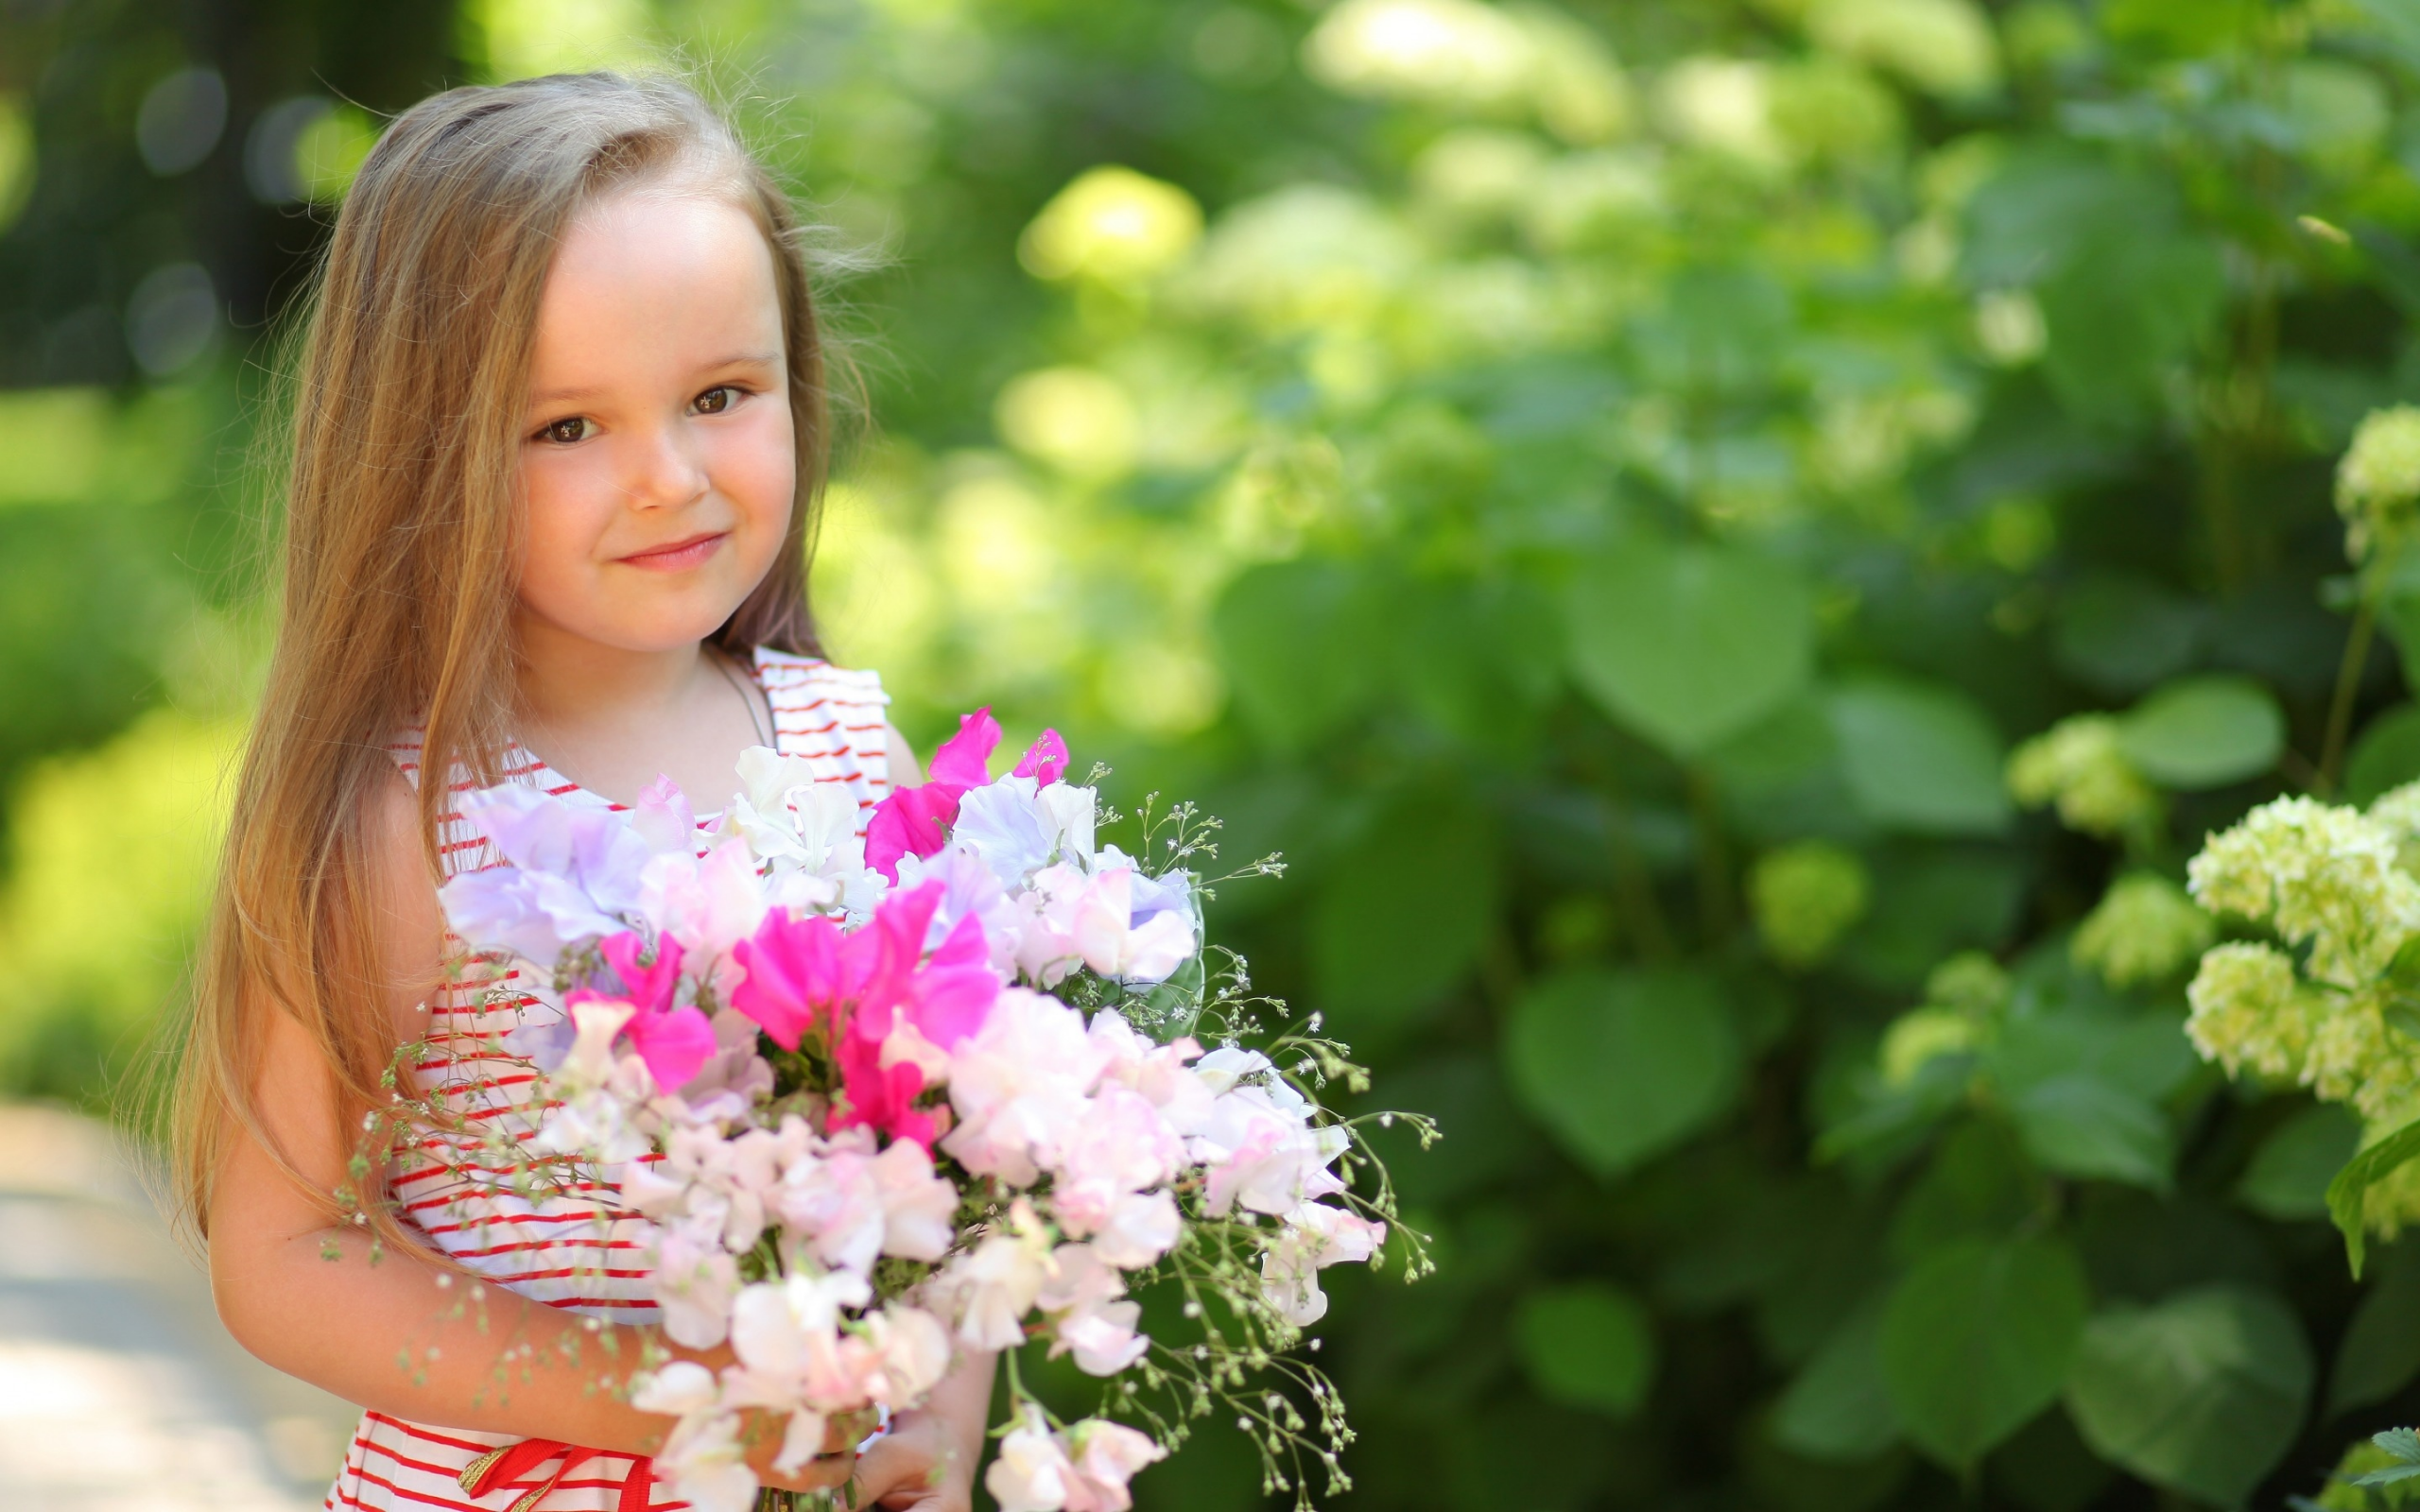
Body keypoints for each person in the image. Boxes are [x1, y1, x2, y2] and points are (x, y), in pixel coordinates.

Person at [172, 73, 994, 1512]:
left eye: (720, 397)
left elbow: (942, 1151)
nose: (669, 478)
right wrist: (665, 1402)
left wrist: (944, 1398)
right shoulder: (407, 815)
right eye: (567, 429)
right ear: (424, 456)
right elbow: (284, 1260)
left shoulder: (850, 752)